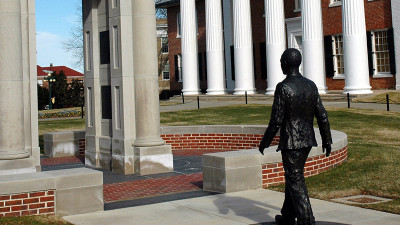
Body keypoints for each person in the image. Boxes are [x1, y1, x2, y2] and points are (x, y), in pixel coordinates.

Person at [259, 48, 332, 225]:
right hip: (307, 140)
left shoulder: (283, 87)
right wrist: (327, 139)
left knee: (295, 178)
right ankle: (288, 215)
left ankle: (306, 218)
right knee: (293, 175)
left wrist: (265, 142)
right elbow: (322, 115)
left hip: (292, 142)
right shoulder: (311, 85)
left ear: (285, 64)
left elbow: (276, 120)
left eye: (281, 62)